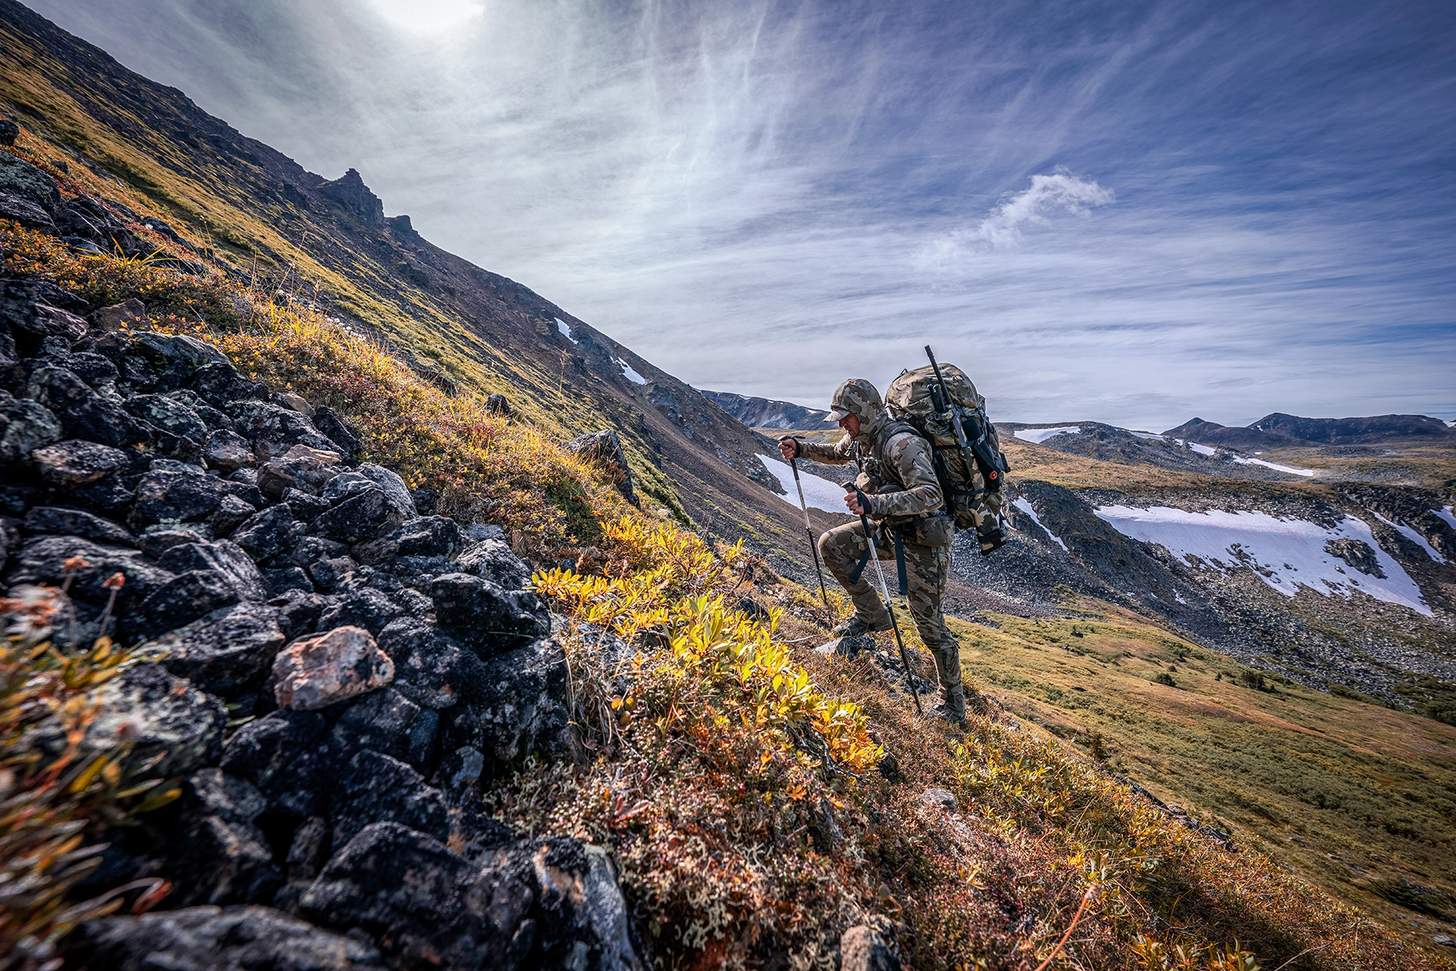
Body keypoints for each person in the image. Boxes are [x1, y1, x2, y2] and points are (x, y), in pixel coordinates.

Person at [780, 377, 976, 724]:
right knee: (832, 545)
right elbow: (835, 453)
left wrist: (874, 501)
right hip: (890, 528)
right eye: (840, 419)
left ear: (866, 412)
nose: (842, 424)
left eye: (846, 417)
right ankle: (872, 614)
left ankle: (953, 704)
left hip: (924, 540)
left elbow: (931, 494)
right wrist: (801, 446)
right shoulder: (861, 439)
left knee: (929, 626)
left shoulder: (901, 444)